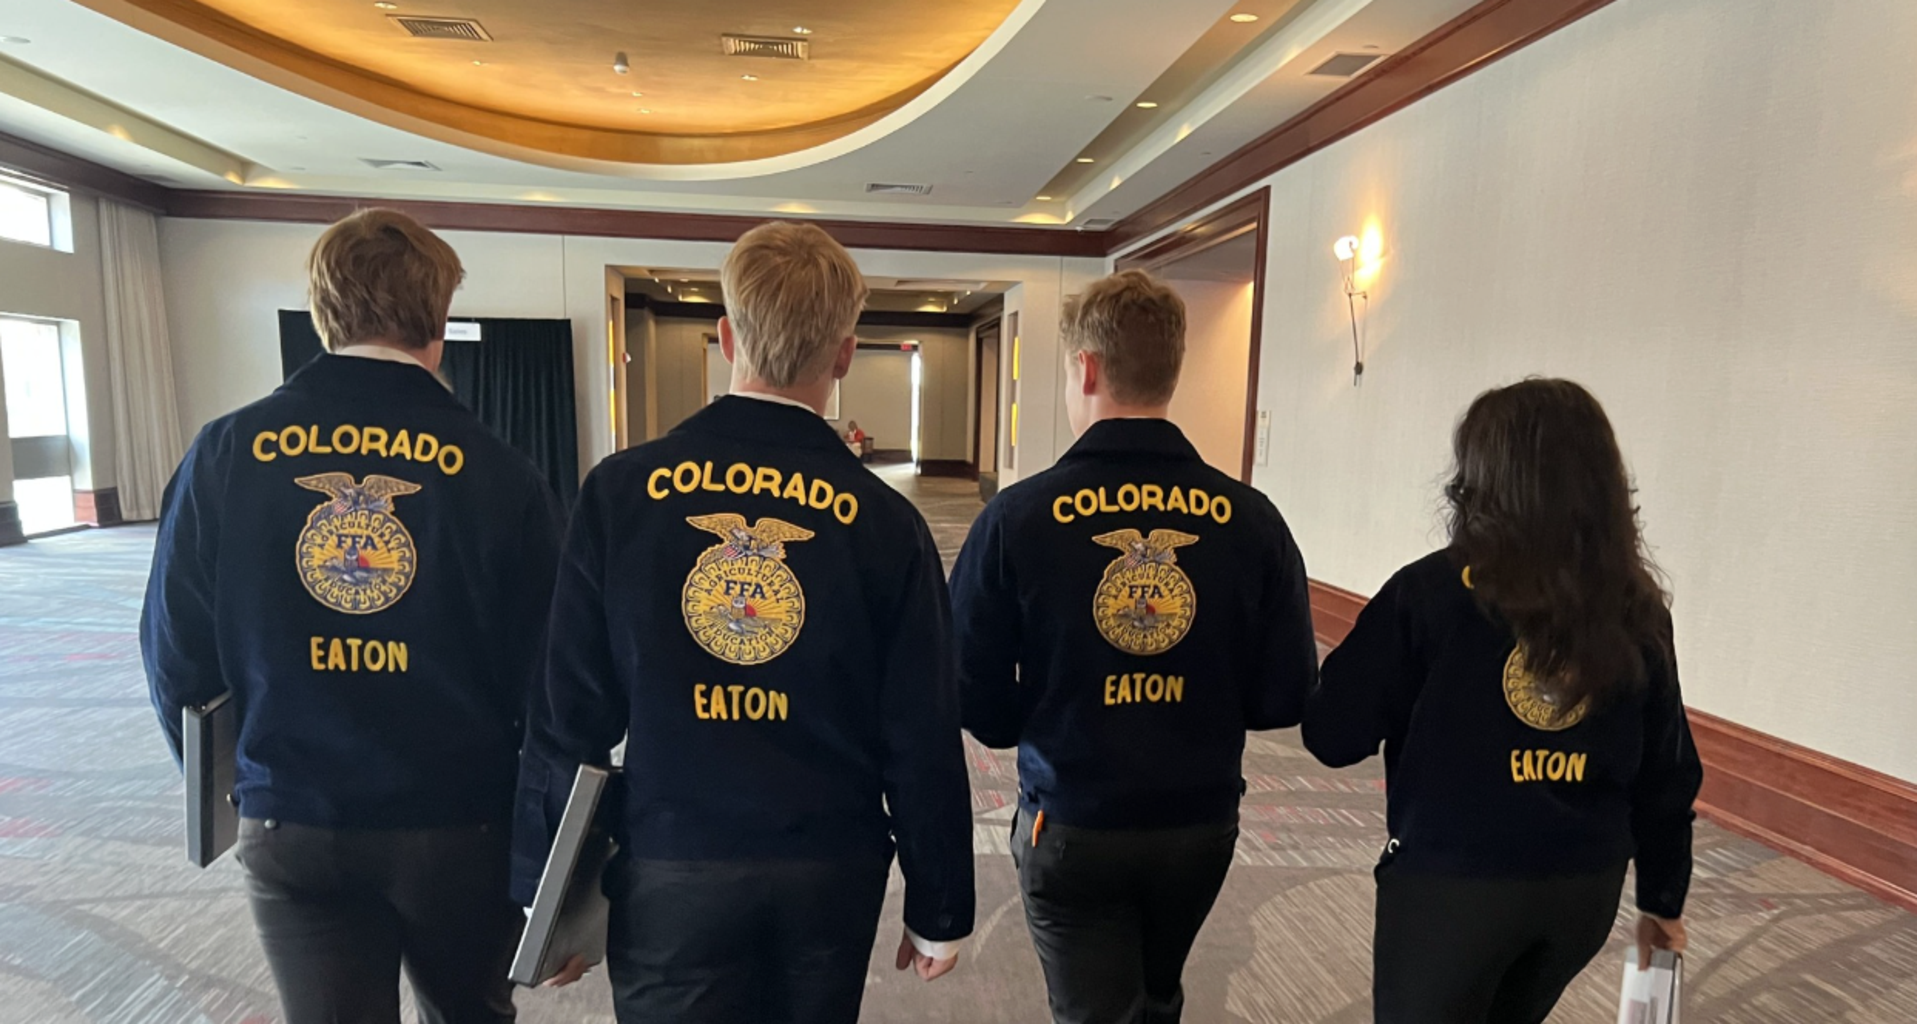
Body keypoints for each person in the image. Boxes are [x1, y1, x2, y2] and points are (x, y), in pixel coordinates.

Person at [514, 221, 974, 1023]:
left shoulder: (621, 494)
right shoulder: (883, 520)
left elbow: (566, 716)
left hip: (672, 855)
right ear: (841, 354)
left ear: (726, 336)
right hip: (829, 865)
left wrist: (541, 895)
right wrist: (939, 902)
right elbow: (921, 729)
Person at [142, 208, 564, 1024]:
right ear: (438, 321)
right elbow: (547, 677)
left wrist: (231, 786)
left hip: (290, 812)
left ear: (320, 310)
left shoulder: (226, 451)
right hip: (457, 825)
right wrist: (541, 851)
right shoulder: (499, 473)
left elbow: (174, 652)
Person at [949, 269, 1318, 1024]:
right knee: (1154, 995)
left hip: (1073, 813)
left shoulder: (1017, 518)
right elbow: (1285, 694)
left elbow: (972, 692)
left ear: (1085, 367)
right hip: (1199, 817)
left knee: (1098, 1011)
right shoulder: (1251, 519)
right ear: (1172, 368)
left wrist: (1039, 713)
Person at [1302, 378, 1702, 1024]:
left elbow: (1330, 734)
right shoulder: (1634, 606)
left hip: (1451, 887)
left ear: (1478, 481)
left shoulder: (1427, 594)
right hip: (1581, 890)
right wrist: (1663, 902)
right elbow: (1668, 774)